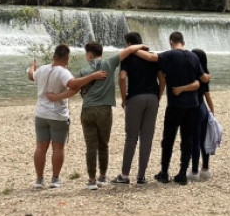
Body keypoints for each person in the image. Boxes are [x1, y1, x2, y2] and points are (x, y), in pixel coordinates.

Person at [47, 40, 149, 190]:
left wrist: (56, 97)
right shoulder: (110, 62)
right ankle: (102, 177)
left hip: (88, 109)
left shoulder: (83, 71)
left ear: (89, 55)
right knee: (103, 144)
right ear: (101, 52)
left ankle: (91, 180)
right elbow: (130, 49)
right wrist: (142, 46)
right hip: (104, 110)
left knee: (90, 146)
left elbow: (76, 89)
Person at [27, 44, 107, 189]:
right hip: (57, 115)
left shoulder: (43, 69)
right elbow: (74, 84)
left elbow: (31, 76)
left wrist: (32, 67)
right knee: (58, 148)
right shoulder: (63, 72)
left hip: (41, 114)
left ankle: (39, 180)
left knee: (40, 148)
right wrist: (93, 76)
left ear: (54, 56)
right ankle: (55, 179)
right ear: (66, 58)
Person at [136, 31, 209, 185]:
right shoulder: (194, 57)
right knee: (187, 139)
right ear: (183, 41)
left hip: (175, 104)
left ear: (171, 42)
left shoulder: (169, 55)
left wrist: (133, 49)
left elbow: (150, 57)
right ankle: (182, 173)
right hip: (193, 105)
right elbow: (202, 79)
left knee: (168, 139)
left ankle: (164, 172)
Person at [113, 32, 164, 185]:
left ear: (129, 44)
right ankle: (141, 177)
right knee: (146, 138)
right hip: (152, 98)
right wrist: (158, 96)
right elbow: (162, 79)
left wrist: (124, 98)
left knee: (131, 137)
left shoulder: (128, 57)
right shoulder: (154, 57)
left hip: (135, 97)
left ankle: (124, 175)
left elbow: (122, 78)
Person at [189, 48, 215, 181]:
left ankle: (194, 171)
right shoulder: (205, 74)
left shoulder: (193, 73)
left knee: (195, 140)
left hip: (195, 108)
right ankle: (205, 168)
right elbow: (208, 95)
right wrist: (212, 112)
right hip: (204, 107)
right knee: (204, 140)